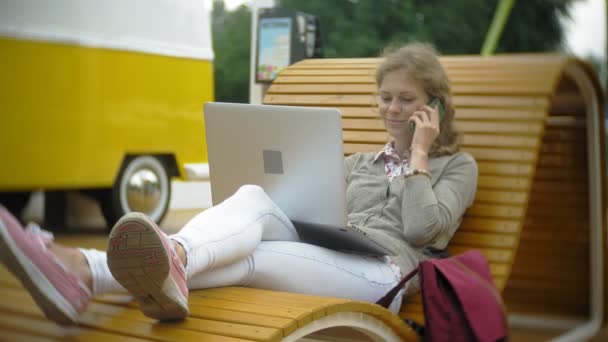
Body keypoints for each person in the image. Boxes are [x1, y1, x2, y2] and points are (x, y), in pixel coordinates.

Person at [0, 42, 478, 325]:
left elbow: (422, 231)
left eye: (405, 99)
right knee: (253, 195)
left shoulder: (458, 167)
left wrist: (419, 153)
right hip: (333, 250)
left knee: (251, 257)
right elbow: (320, 214)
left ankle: (87, 271)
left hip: (387, 275)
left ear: (432, 104)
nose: (391, 109)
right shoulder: (358, 162)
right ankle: (159, 259)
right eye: (385, 98)